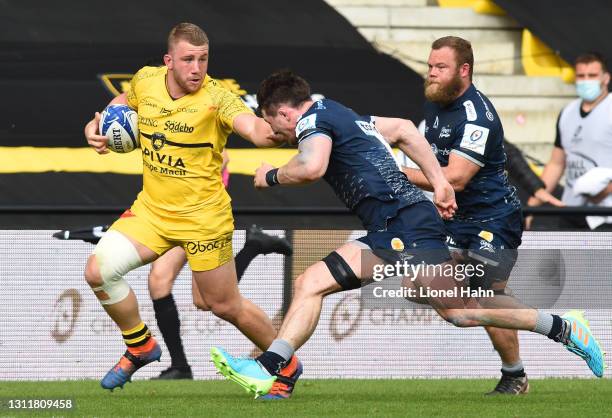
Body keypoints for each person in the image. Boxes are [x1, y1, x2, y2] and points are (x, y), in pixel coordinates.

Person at [209, 70, 605, 398]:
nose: (277, 134)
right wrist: (439, 182)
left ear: (281, 113)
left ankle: (563, 327)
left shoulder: (313, 122)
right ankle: (275, 366)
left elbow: (312, 167)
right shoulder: (337, 111)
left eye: (273, 124)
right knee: (311, 283)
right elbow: (401, 129)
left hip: (406, 227)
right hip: (394, 227)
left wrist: (272, 175)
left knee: (460, 312)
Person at [83, 22, 301, 396]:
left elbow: (252, 128)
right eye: (188, 60)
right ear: (169, 61)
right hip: (152, 211)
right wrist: (95, 124)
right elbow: (121, 103)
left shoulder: (218, 98)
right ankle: (140, 345)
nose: (197, 68)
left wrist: (279, 131)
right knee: (97, 272)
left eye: (203, 59)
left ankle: (288, 365)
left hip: (203, 219)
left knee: (221, 304)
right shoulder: (146, 80)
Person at [399, 36, 527, 394]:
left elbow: (454, 177)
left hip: (493, 218)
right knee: (414, 285)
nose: (432, 74)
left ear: (464, 70)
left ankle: (515, 375)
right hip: (456, 217)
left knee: (487, 296)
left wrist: (397, 172)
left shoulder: (476, 115)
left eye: (440, 67)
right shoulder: (437, 103)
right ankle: (514, 308)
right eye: (430, 66)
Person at [530, 52, 612, 230]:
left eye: (592, 76)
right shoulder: (567, 112)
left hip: (605, 213)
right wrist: (532, 205)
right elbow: (556, 163)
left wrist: (606, 189)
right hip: (570, 209)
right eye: (581, 76)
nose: (586, 81)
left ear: (606, 78)